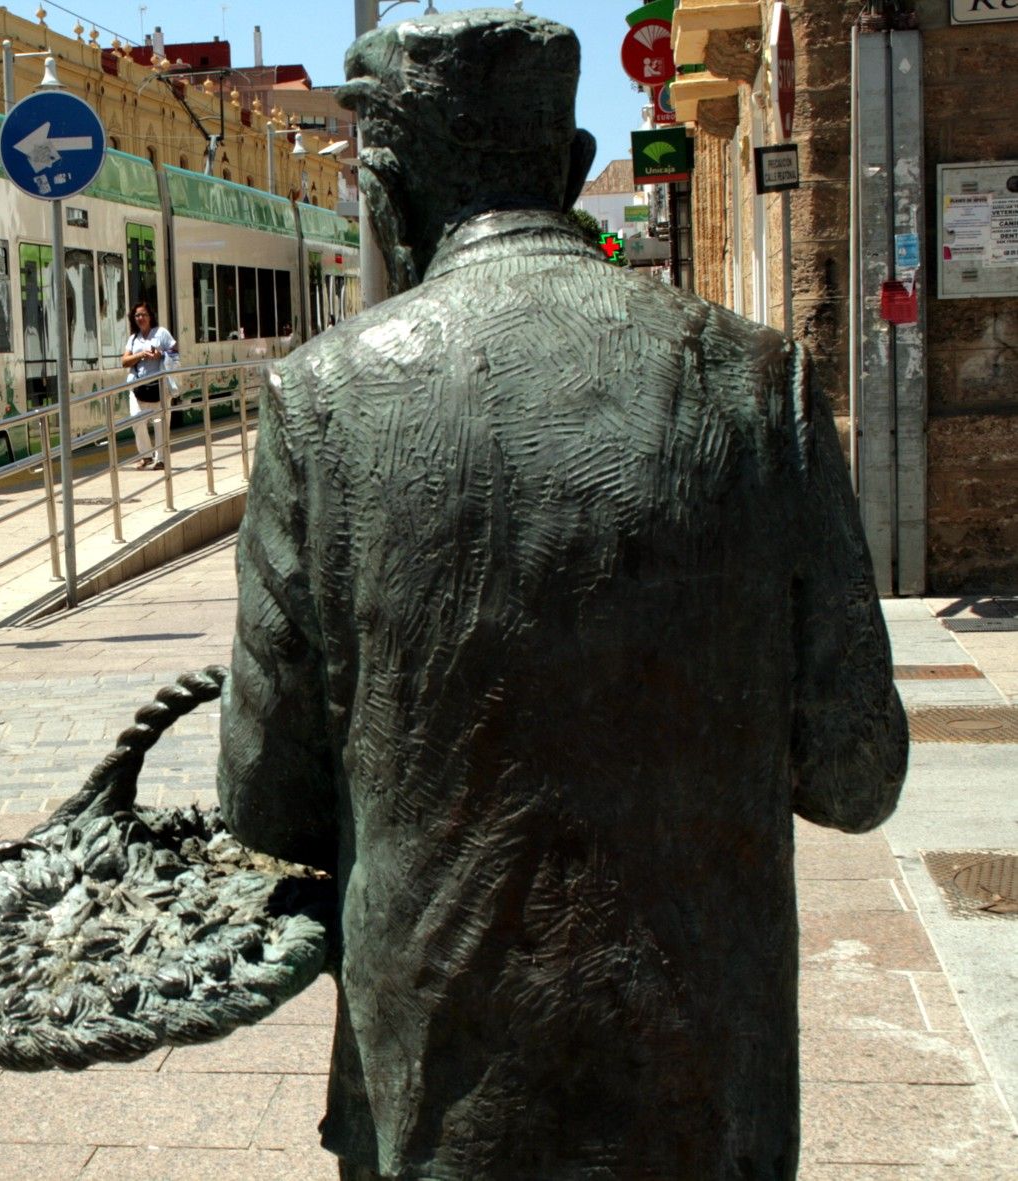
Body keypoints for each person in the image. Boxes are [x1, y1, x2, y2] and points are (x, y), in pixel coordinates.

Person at [217, 11, 907, 1180]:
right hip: (707, 1103)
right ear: (573, 162)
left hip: (439, 1100)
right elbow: (854, 772)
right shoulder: (757, 385)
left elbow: (262, 799)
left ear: (384, 185)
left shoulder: (318, 402)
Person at [119, 301, 176, 470]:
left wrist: (161, 354)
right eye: (137, 315)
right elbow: (124, 361)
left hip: (159, 387)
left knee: (160, 423)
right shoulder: (133, 338)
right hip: (138, 387)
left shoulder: (161, 333)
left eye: (143, 314)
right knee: (137, 420)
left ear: (150, 316)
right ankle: (146, 456)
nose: (140, 318)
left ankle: (161, 460)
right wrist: (141, 354)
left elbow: (175, 353)